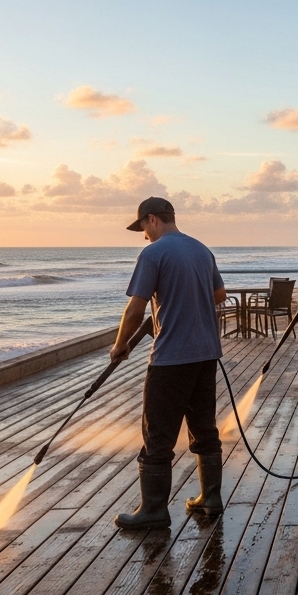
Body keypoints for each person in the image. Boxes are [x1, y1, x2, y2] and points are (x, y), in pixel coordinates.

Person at [111, 197, 228, 529]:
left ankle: (153, 510)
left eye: (143, 229)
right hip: (206, 355)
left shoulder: (154, 253)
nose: (144, 237)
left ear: (153, 220)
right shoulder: (202, 250)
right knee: (204, 426)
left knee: (158, 434)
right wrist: (184, 301)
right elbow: (219, 295)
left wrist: (120, 345)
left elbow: (135, 309)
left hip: (170, 360)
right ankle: (211, 497)